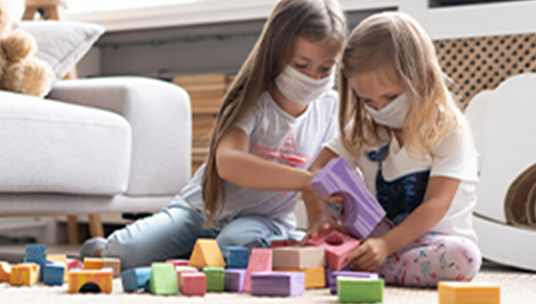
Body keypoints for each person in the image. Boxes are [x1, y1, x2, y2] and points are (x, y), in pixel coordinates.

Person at [80, 0, 347, 270]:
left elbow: (317, 175)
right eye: (302, 65)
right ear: (276, 54)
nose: (313, 78)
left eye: (325, 69)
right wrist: (306, 181)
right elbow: (229, 162)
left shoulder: (329, 108)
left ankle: (202, 257)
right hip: (200, 211)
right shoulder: (252, 98)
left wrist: (318, 218)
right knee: (125, 255)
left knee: (236, 247)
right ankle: (111, 247)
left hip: (262, 220)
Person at [302, 11, 481, 287]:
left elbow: (436, 203)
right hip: (377, 232)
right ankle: (356, 257)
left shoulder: (446, 127)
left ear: (423, 78)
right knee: (331, 185)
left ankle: (359, 265)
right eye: (368, 101)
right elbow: (314, 173)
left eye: (390, 97)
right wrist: (319, 218)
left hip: (433, 239)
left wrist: (385, 246)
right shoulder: (365, 127)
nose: (381, 109)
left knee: (465, 258)